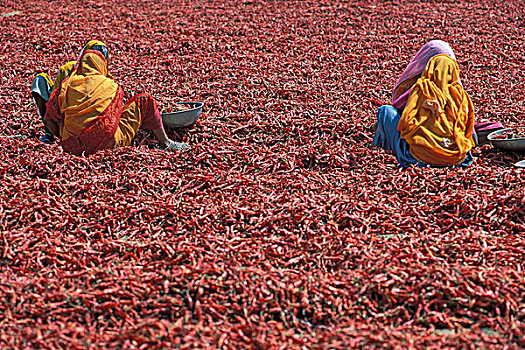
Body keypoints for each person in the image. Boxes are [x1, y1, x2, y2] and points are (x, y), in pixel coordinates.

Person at [33, 40, 187, 154]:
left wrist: (62, 134)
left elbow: (49, 118)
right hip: (107, 144)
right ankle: (165, 142)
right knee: (144, 100)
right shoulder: (110, 85)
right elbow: (113, 116)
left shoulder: (68, 84)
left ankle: (54, 136)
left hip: (71, 146)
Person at [369, 40, 477, 167]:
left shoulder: (422, 88)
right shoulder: (462, 96)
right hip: (457, 158)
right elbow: (470, 134)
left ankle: (403, 153)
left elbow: (405, 121)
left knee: (385, 111)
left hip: (419, 160)